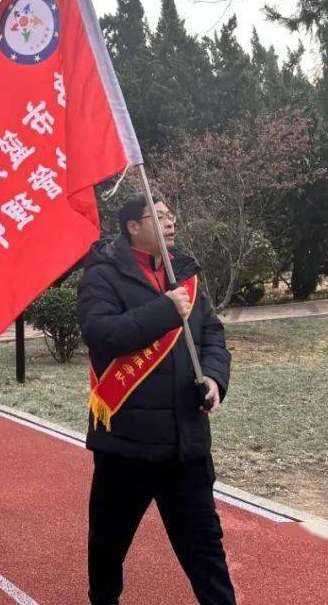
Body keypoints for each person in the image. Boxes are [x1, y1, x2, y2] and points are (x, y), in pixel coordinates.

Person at [77, 193, 233, 605]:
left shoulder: (185, 271)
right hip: (128, 444)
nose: (170, 222)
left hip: (187, 443)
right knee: (109, 545)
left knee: (206, 550)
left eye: (170, 214)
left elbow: (212, 333)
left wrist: (216, 378)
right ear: (132, 226)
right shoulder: (102, 275)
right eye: (158, 216)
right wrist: (164, 310)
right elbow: (102, 334)